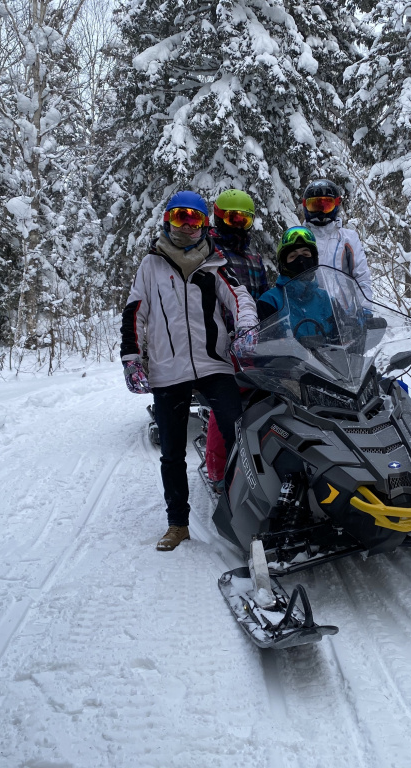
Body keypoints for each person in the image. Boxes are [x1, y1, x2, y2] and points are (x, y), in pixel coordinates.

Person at [121, 190, 258, 551]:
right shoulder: (151, 265)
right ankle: (177, 524)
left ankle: (240, 512)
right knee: (171, 452)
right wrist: (132, 358)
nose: (186, 224)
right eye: (180, 215)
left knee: (236, 436)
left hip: (215, 364)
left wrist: (246, 326)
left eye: (194, 218)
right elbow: (135, 312)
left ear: (204, 224)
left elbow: (241, 297)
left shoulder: (215, 262)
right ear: (167, 219)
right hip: (168, 370)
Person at [203, 189, 268, 489]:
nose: (238, 224)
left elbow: (263, 295)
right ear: (219, 216)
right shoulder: (210, 252)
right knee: (226, 406)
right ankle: (217, 470)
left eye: (244, 219)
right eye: (232, 217)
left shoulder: (254, 257)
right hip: (221, 341)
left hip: (255, 340)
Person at [257, 226, 336, 338]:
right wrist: (297, 348)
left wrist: (353, 327)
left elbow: (342, 336)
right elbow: (266, 346)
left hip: (326, 356)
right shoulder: (270, 301)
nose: (301, 260)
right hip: (287, 356)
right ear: (284, 264)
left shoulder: (326, 300)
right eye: (293, 256)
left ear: (314, 260)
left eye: (306, 254)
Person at [301, 178, 373, 301]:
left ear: (336, 205)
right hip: (308, 312)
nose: (320, 211)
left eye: (326, 205)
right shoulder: (300, 238)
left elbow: (361, 277)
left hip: (343, 314)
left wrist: (365, 310)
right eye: (314, 206)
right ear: (305, 206)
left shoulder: (347, 238)